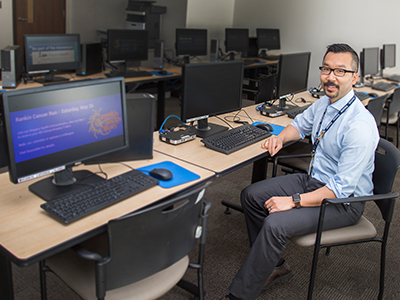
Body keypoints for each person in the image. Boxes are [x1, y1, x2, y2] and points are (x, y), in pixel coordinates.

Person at [221, 43, 380, 300]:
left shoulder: (359, 126)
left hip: (342, 202)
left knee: (275, 223)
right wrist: (281, 139)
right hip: (314, 181)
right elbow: (299, 125)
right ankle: (275, 265)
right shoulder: (326, 103)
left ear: (354, 77)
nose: (330, 76)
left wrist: (293, 201)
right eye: (327, 69)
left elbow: (339, 189)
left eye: (340, 71)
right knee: (251, 195)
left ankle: (240, 295)